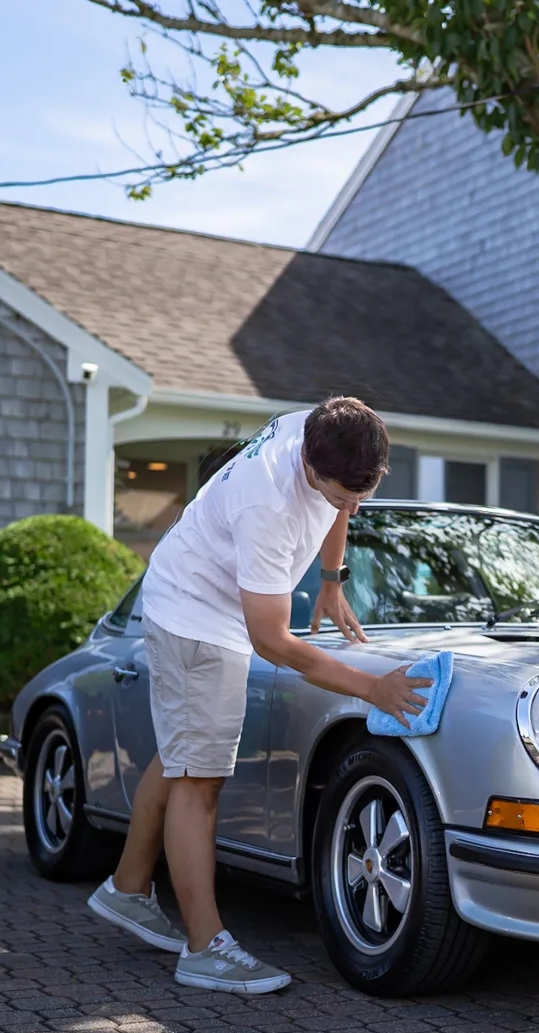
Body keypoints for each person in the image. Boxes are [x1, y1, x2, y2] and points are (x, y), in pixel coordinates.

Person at [87, 397, 427, 994]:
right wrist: (373, 688)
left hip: (206, 598)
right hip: (197, 615)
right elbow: (273, 642)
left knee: (182, 753)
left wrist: (330, 577)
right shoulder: (265, 500)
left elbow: (337, 508)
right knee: (201, 781)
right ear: (308, 465)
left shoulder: (329, 427)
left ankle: (128, 888)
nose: (349, 508)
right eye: (339, 496)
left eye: (360, 497)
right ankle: (203, 949)